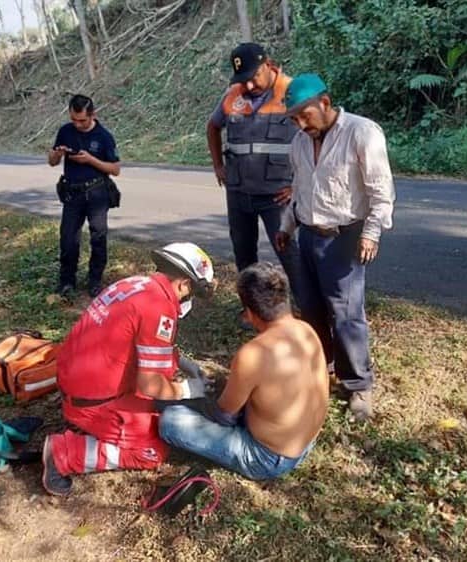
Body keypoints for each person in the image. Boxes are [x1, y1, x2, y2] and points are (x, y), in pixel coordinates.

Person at [41, 242, 217, 496]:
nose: (190, 301)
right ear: (184, 284)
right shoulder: (160, 308)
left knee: (161, 407)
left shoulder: (136, 285)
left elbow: (141, 344)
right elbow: (150, 385)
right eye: (193, 293)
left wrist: (184, 364)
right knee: (152, 449)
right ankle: (63, 454)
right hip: (92, 401)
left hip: (77, 382)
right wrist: (190, 389)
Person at [276, 74, 396, 422]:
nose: (300, 124)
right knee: (311, 308)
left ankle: (358, 384)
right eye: (293, 118)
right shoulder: (299, 142)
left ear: (324, 102)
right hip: (308, 234)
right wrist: (287, 225)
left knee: (346, 314)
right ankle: (321, 368)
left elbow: (380, 191)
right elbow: (300, 189)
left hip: (345, 236)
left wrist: (371, 233)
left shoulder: (362, 133)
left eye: (304, 115)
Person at [158, 262, 328, 481]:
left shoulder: (254, 354)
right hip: (303, 445)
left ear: (249, 313)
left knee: (170, 421)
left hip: (266, 458)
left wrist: (193, 397)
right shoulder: (307, 331)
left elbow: (224, 416)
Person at [207, 42, 303, 305]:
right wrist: (218, 165)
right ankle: (253, 309)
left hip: (277, 195)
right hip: (238, 191)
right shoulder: (233, 95)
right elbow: (213, 127)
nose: (248, 86)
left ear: (269, 65)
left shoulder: (293, 92)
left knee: (291, 254)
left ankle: (308, 313)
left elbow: (315, 139)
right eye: (243, 80)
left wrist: (299, 184)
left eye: (253, 77)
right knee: (243, 254)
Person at [48, 94, 121, 299]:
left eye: (82, 120)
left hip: (97, 192)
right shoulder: (65, 131)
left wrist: (90, 160)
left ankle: (95, 280)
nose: (77, 124)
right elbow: (52, 161)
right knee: (68, 239)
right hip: (72, 193)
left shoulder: (103, 136)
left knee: (98, 237)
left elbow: (115, 169)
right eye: (74, 119)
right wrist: (57, 154)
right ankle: (66, 281)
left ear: (92, 115)